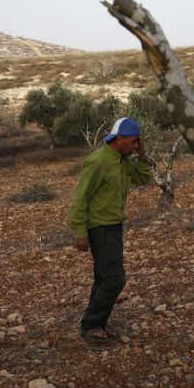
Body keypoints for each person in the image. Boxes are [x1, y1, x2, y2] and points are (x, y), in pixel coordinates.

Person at [69, 117, 153, 343]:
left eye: (138, 143)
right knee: (115, 279)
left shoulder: (123, 161)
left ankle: (94, 323)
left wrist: (142, 156)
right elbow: (80, 198)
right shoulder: (98, 162)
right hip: (99, 227)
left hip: (114, 226)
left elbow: (145, 178)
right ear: (120, 139)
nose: (136, 146)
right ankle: (92, 324)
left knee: (104, 276)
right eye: (134, 142)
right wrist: (80, 231)